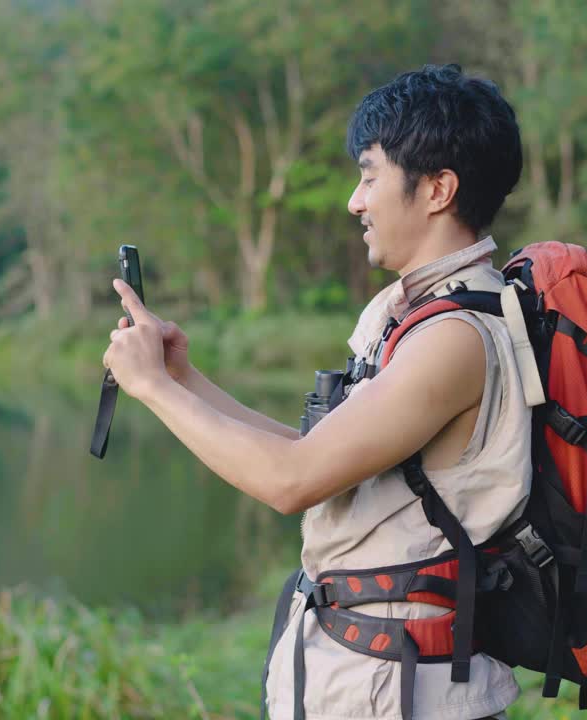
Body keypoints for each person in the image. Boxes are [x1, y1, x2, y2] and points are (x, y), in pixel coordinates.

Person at [102, 63, 528, 720]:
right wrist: (186, 379)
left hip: (403, 693)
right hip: (382, 679)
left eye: (369, 177)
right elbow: (319, 457)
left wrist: (154, 388)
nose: (355, 202)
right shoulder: (424, 317)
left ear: (438, 189)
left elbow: (291, 482)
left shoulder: (455, 338)